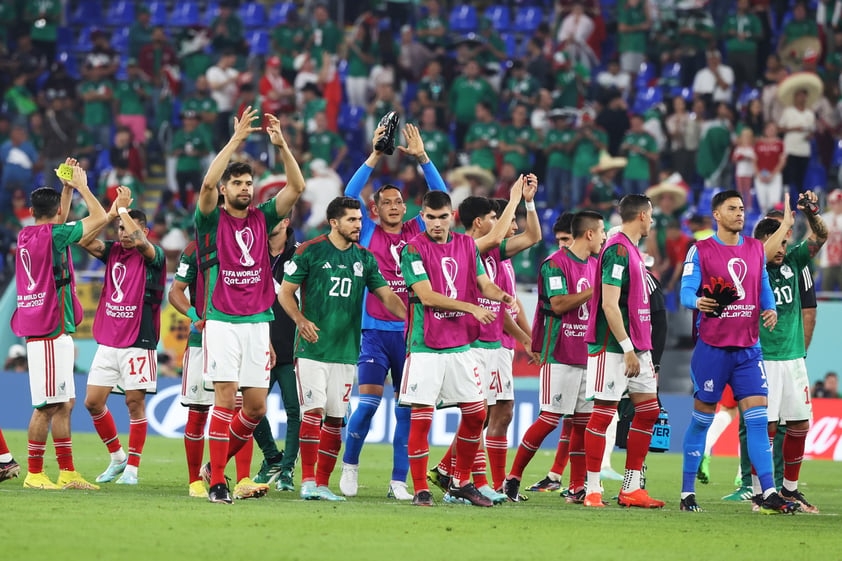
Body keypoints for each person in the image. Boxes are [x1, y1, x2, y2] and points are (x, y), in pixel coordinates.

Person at [195, 107, 306, 504]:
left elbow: (296, 186)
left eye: (248, 182)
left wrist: (282, 145)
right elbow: (208, 184)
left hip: (258, 323)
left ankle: (215, 464)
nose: (245, 188)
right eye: (237, 183)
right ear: (225, 190)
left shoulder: (261, 217)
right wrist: (236, 141)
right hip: (223, 321)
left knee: (256, 408)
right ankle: (220, 481)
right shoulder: (209, 221)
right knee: (227, 399)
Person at [338, 124, 447, 501]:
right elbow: (349, 194)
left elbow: (441, 200)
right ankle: (349, 466)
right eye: (387, 202)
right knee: (366, 405)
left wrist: (422, 158)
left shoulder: (418, 231)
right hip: (373, 332)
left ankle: (398, 481)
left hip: (411, 334)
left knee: (407, 412)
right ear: (375, 209)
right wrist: (375, 154)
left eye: (399, 201)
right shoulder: (365, 230)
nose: (396, 206)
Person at [279, 197, 406, 501]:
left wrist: (412, 318)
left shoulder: (365, 257)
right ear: (334, 222)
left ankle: (322, 484)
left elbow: (386, 295)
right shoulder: (310, 250)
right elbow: (285, 293)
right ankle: (307, 481)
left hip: (347, 352)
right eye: (351, 220)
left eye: (360, 220)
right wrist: (299, 319)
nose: (358, 225)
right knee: (314, 413)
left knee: (335, 420)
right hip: (312, 349)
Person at [678, 190, 797, 514]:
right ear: (716, 214)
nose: (739, 213)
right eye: (732, 208)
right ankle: (687, 492)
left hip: (748, 350)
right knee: (702, 421)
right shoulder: (700, 250)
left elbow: (762, 286)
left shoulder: (755, 249)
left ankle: (769, 492)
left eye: (742, 208)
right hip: (713, 349)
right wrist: (697, 301)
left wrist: (769, 308)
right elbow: (686, 291)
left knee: (758, 421)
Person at [399, 188, 516, 507]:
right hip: (425, 345)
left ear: (451, 216)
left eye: (442, 217)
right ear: (422, 217)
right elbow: (426, 295)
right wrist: (471, 308)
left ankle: (461, 481)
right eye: (430, 217)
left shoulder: (466, 245)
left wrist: (500, 296)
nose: (436, 223)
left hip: (459, 345)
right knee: (422, 417)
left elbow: (483, 283)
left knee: (477, 413)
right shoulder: (413, 249)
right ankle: (421, 488)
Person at [430, 177, 542, 502]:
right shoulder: (464, 248)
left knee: (498, 410)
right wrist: (513, 198)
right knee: (478, 414)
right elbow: (494, 236)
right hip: (473, 342)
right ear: (478, 222)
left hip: (496, 344)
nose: (502, 222)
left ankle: (457, 475)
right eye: (494, 216)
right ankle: (470, 482)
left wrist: (528, 202)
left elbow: (533, 236)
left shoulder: (497, 256)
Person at [11, 159, 107, 490]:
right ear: (54, 214)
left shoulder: (29, 234)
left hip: (49, 329)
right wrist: (81, 186)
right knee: (47, 406)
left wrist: (65, 189)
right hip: (49, 331)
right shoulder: (54, 236)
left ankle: (67, 472)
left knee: (64, 403)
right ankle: (35, 473)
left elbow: (58, 222)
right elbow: (100, 218)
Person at [504, 211, 605, 503]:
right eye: (600, 232)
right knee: (550, 418)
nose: (603, 238)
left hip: (588, 353)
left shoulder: (596, 265)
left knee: (583, 423)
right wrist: (594, 291)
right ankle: (513, 478)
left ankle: (576, 487)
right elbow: (559, 304)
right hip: (560, 352)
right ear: (588, 234)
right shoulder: (554, 264)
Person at [77, 187, 165, 486]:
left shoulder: (155, 257)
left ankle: (133, 470)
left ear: (144, 230)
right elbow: (84, 239)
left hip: (139, 338)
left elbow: (141, 244)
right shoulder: (113, 251)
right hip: (109, 339)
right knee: (92, 402)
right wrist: (112, 214)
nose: (124, 233)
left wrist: (125, 213)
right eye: (120, 229)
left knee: (134, 402)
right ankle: (117, 458)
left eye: (129, 229)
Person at [582, 194, 664, 509]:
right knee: (602, 415)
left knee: (648, 412)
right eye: (651, 215)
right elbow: (608, 303)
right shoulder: (616, 249)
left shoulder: (630, 250)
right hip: (614, 347)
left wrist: (641, 350)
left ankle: (631, 488)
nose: (653, 221)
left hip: (637, 347)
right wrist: (628, 348)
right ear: (642, 215)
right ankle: (592, 489)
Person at [753, 191, 827, 513]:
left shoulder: (795, 261)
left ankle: (790, 490)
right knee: (766, 428)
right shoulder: (752, 269)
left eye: (785, 242)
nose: (782, 249)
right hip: (764, 360)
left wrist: (811, 213)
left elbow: (821, 235)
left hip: (793, 359)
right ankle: (760, 493)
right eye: (777, 242)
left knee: (799, 425)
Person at [250, 218, 301, 493]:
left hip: (293, 347)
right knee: (249, 408)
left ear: (286, 221)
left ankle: (288, 470)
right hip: (258, 347)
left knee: (296, 412)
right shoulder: (251, 253)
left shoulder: (302, 253)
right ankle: (273, 457)